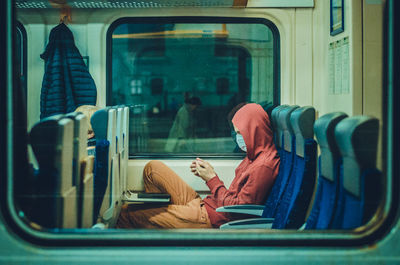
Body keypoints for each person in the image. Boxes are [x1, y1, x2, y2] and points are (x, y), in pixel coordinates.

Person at [116, 103, 280, 229]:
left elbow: (236, 210)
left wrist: (212, 178)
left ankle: (166, 218)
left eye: (240, 133)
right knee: (153, 169)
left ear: (254, 130)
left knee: (125, 214)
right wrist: (209, 175)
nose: (238, 138)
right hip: (206, 204)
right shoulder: (253, 155)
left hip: (210, 218)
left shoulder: (263, 166)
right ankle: (166, 217)